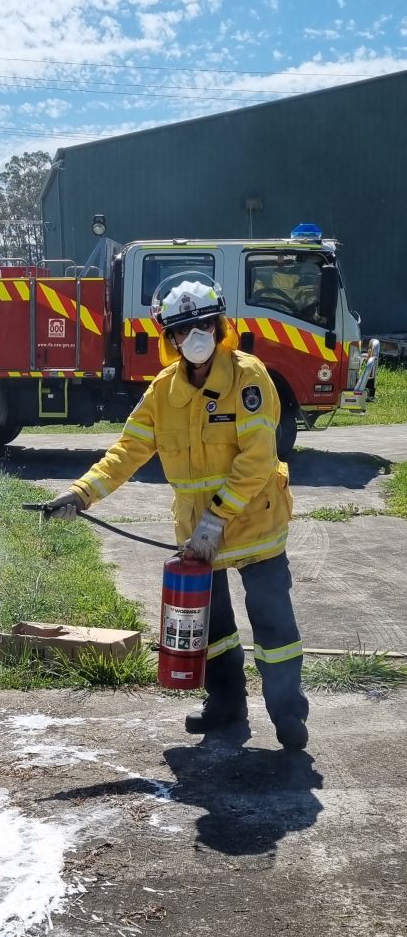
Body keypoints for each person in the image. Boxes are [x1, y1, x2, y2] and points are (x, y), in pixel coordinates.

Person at [45, 273, 309, 750]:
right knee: (216, 627)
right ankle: (227, 708)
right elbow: (127, 450)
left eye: (204, 324)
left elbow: (258, 460)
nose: (196, 338)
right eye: (184, 330)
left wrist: (216, 517)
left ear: (220, 325)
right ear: (169, 338)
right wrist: (82, 493)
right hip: (201, 536)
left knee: (274, 626)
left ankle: (288, 716)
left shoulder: (249, 377)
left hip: (256, 526)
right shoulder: (163, 391)